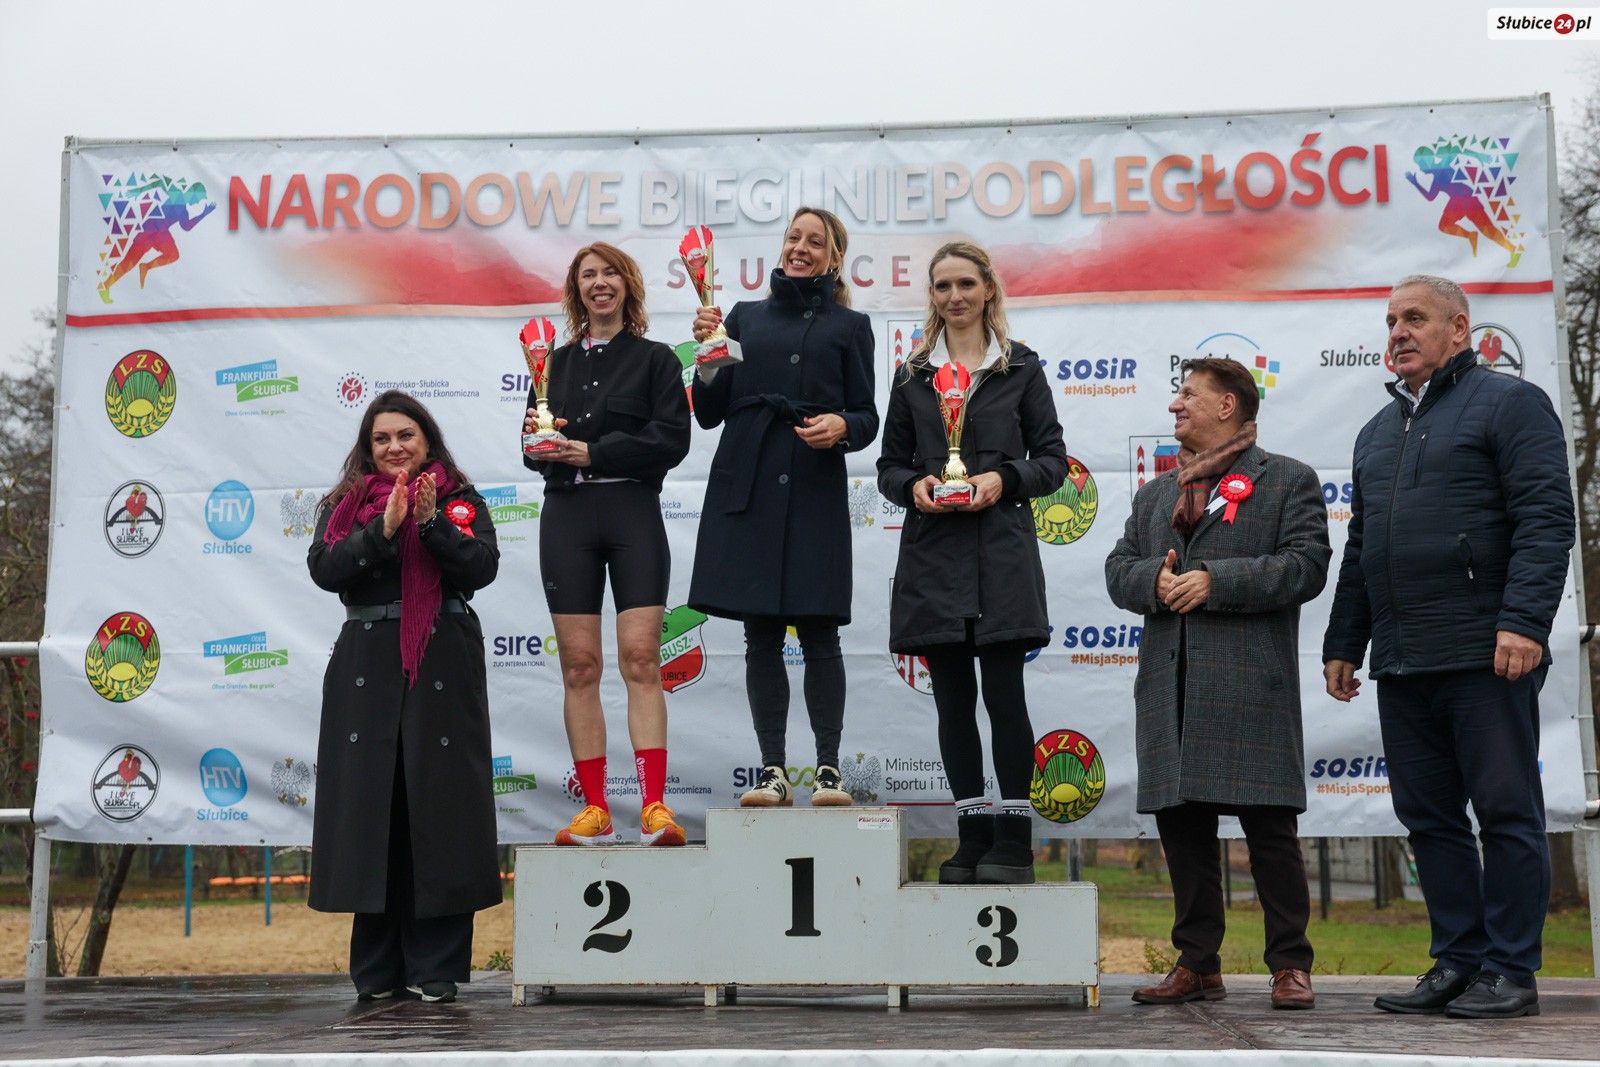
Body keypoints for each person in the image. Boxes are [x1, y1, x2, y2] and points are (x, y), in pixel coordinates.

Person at [1323, 275, 1574, 1020]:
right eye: (1391, 321)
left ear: (1459, 329)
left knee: (1505, 811)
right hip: (1404, 659)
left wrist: (1523, 622)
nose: (1398, 331)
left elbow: (1545, 517)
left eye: (1415, 318)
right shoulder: (1376, 432)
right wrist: (1345, 640)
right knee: (1428, 817)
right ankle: (1459, 961)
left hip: (1486, 652)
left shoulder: (1510, 403)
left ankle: (1511, 970)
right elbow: (1362, 546)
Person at [1105, 357, 1330, 1010]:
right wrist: (1154, 581)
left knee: (1270, 832)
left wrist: (1216, 581)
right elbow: (1118, 567)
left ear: (1228, 405)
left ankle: (1290, 963)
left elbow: (1307, 565)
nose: (1175, 405)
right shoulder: (1155, 494)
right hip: (1171, 687)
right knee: (1184, 832)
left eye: (1188, 394)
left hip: (1250, 685)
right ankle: (1198, 963)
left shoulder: (1287, 478)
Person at [876, 242, 1066, 884]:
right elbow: (889, 466)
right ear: (931, 296)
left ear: (988, 289)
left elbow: (1053, 460)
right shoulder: (911, 376)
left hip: (1002, 552)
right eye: (942, 286)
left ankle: (1014, 838)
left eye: (965, 284)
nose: (954, 296)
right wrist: (914, 487)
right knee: (953, 704)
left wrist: (1003, 480)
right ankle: (971, 834)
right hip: (934, 555)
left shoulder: (1022, 368)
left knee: (1005, 697)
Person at [307, 390, 500, 1004]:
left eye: (405, 435)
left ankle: (436, 966)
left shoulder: (460, 497)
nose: (395, 447)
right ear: (368, 448)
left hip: (442, 656)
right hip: (366, 662)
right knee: (374, 810)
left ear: (427, 440)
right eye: (382, 438)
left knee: (438, 809)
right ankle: (378, 968)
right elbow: (325, 569)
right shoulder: (344, 504)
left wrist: (430, 523)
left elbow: (480, 568)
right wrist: (383, 529)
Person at [688, 206, 878, 807]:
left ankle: (828, 771)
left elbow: (867, 417)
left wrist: (841, 425)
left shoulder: (852, 325)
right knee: (761, 635)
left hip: (815, 490)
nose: (801, 248)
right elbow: (708, 412)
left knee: (821, 632)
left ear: (834, 257)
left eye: (815, 241)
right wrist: (707, 355)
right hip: (747, 485)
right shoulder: (742, 316)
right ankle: (772, 771)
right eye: (794, 237)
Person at [523, 242, 692, 846]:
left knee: (642, 660)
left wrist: (593, 451)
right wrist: (544, 444)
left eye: (610, 273)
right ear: (577, 289)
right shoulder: (550, 362)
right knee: (579, 667)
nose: (600, 283)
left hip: (631, 513)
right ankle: (595, 810)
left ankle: (654, 807)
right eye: (588, 275)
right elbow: (531, 450)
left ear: (628, 285)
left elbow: (672, 439)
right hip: (567, 515)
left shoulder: (656, 360)